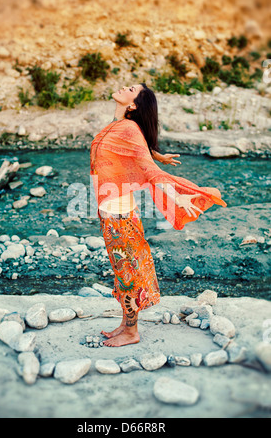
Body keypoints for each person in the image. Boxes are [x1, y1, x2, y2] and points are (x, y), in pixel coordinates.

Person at [90, 83, 227, 347]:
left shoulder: (128, 127)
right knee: (122, 272)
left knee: (127, 273)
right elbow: (130, 150)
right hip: (109, 212)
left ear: (133, 105)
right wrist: (156, 155)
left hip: (120, 215)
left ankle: (132, 332)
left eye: (130, 89)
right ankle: (124, 325)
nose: (122, 87)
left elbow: (147, 169)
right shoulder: (117, 125)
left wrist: (176, 196)